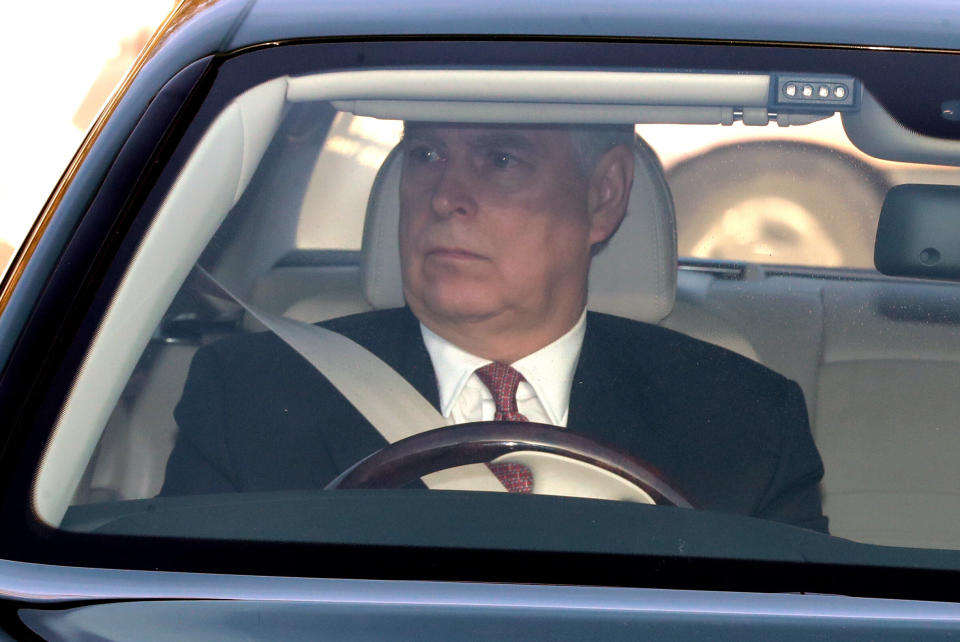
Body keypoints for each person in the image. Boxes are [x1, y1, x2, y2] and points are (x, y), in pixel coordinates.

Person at [162, 122, 828, 533]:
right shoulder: (251, 394)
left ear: (603, 196)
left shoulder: (744, 421)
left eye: (501, 159)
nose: (446, 196)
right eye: (424, 155)